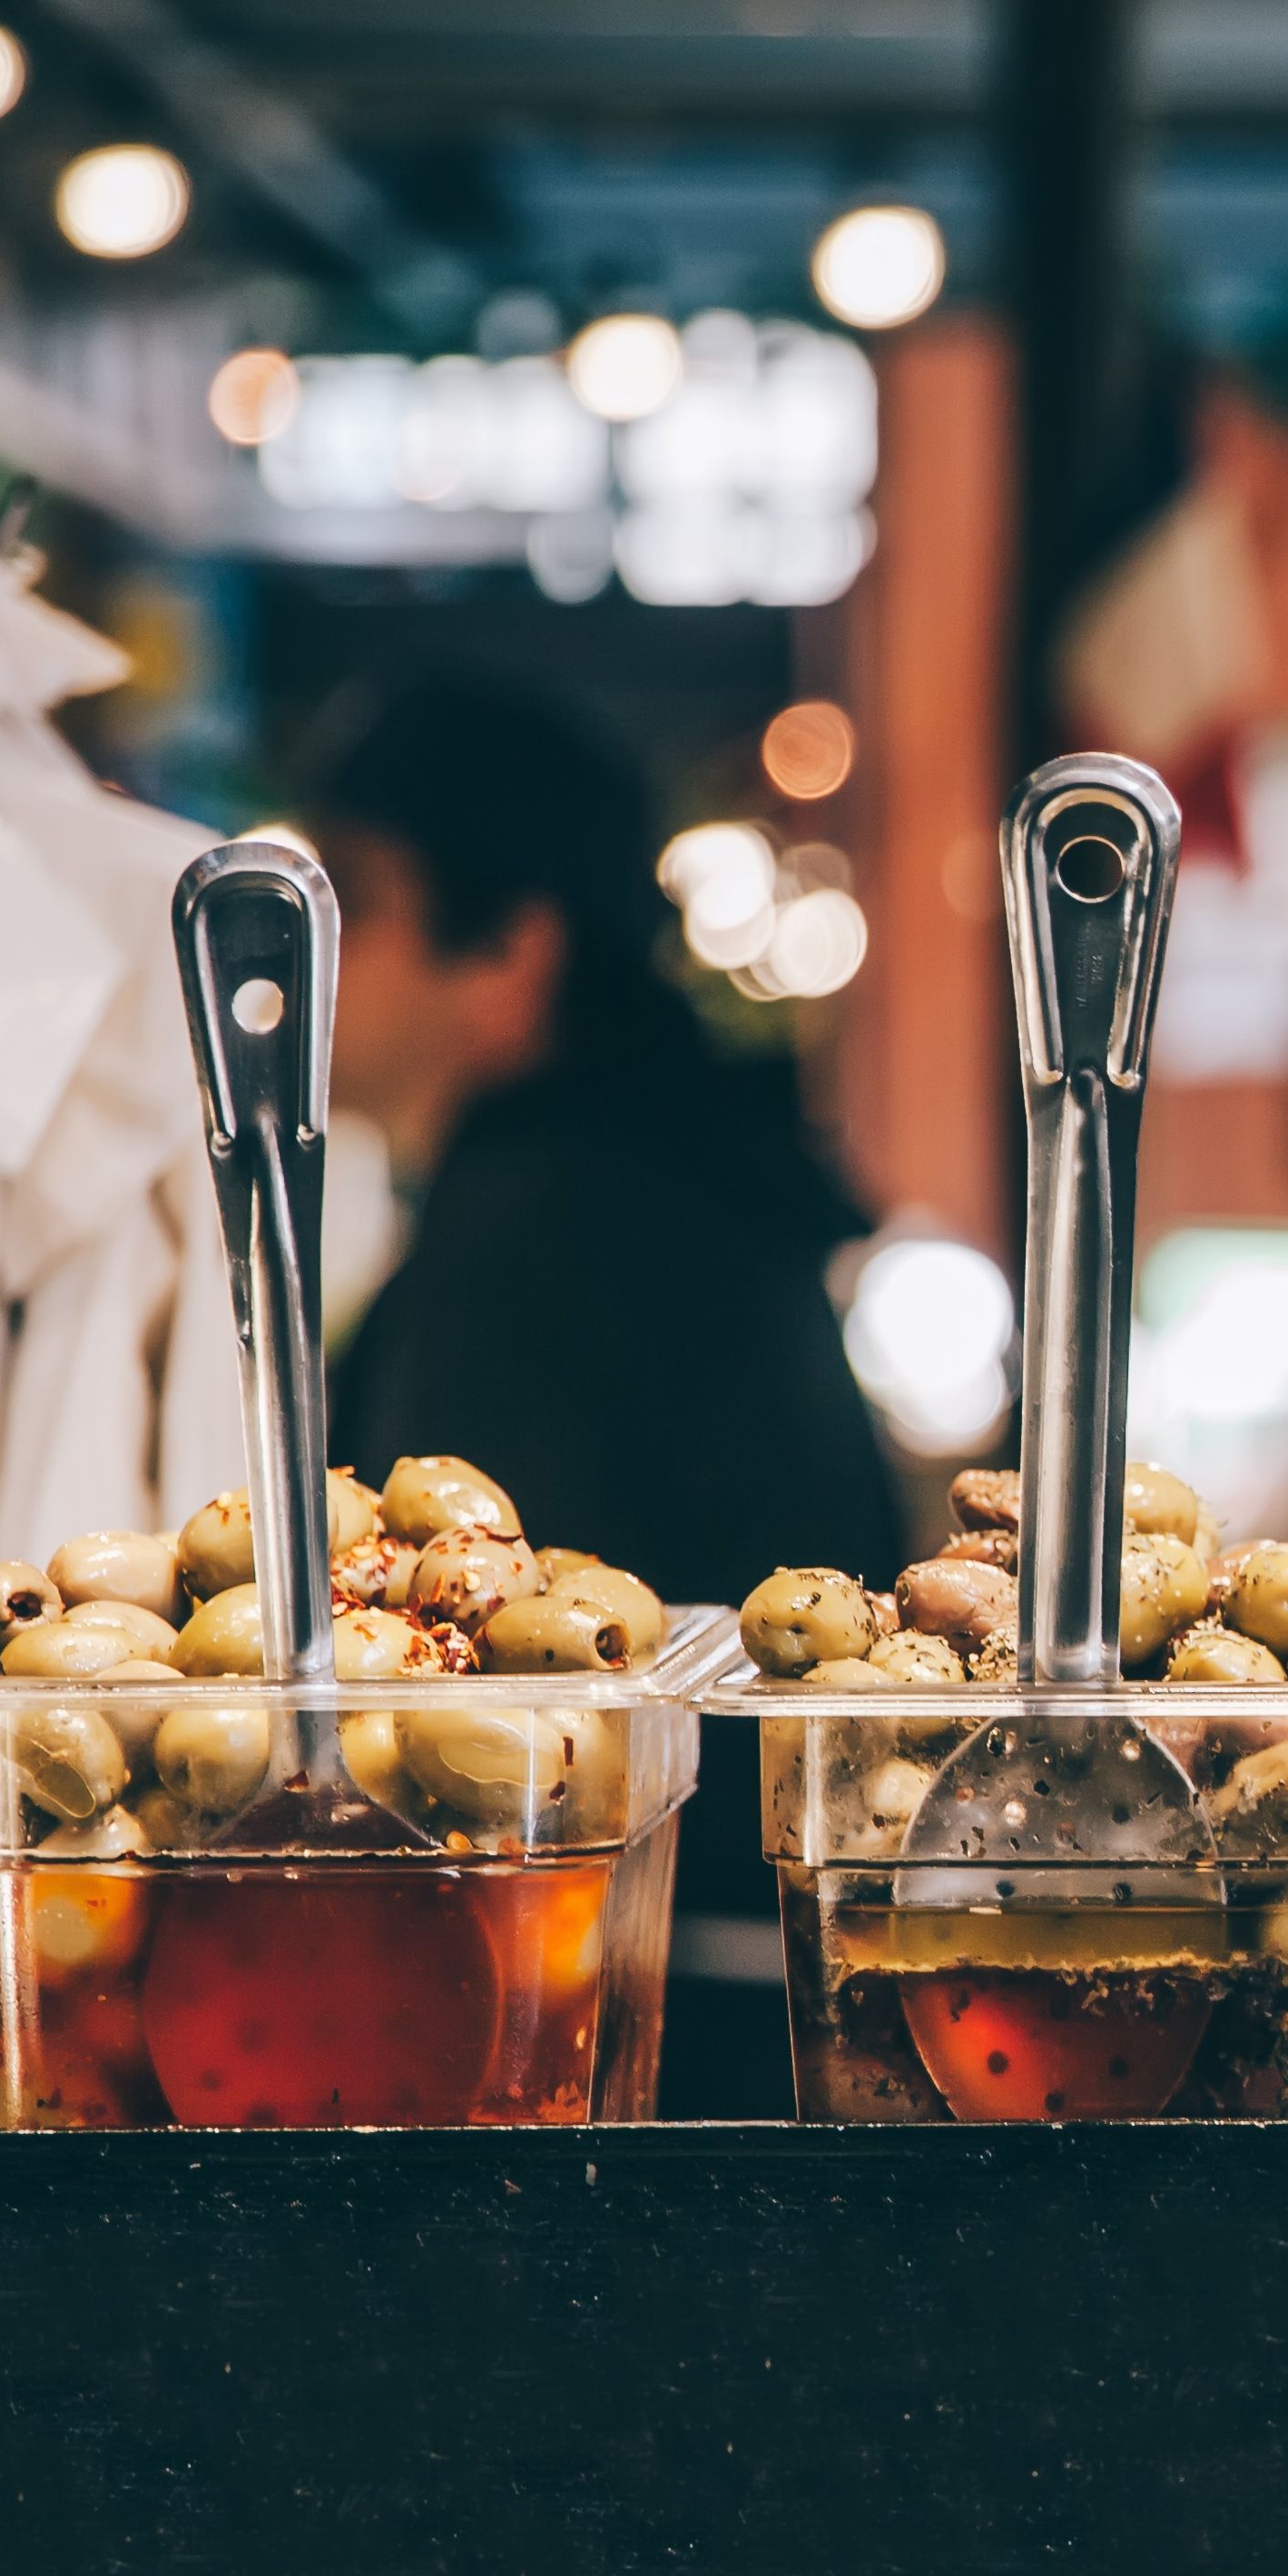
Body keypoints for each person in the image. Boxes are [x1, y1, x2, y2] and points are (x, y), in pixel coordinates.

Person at [309, 673, 898, 2116]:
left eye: (358, 904)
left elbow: (460, 1665)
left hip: (616, 2037)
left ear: (513, 949)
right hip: (771, 2016)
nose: (312, 964)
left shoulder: (538, 1237)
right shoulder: (667, 1186)